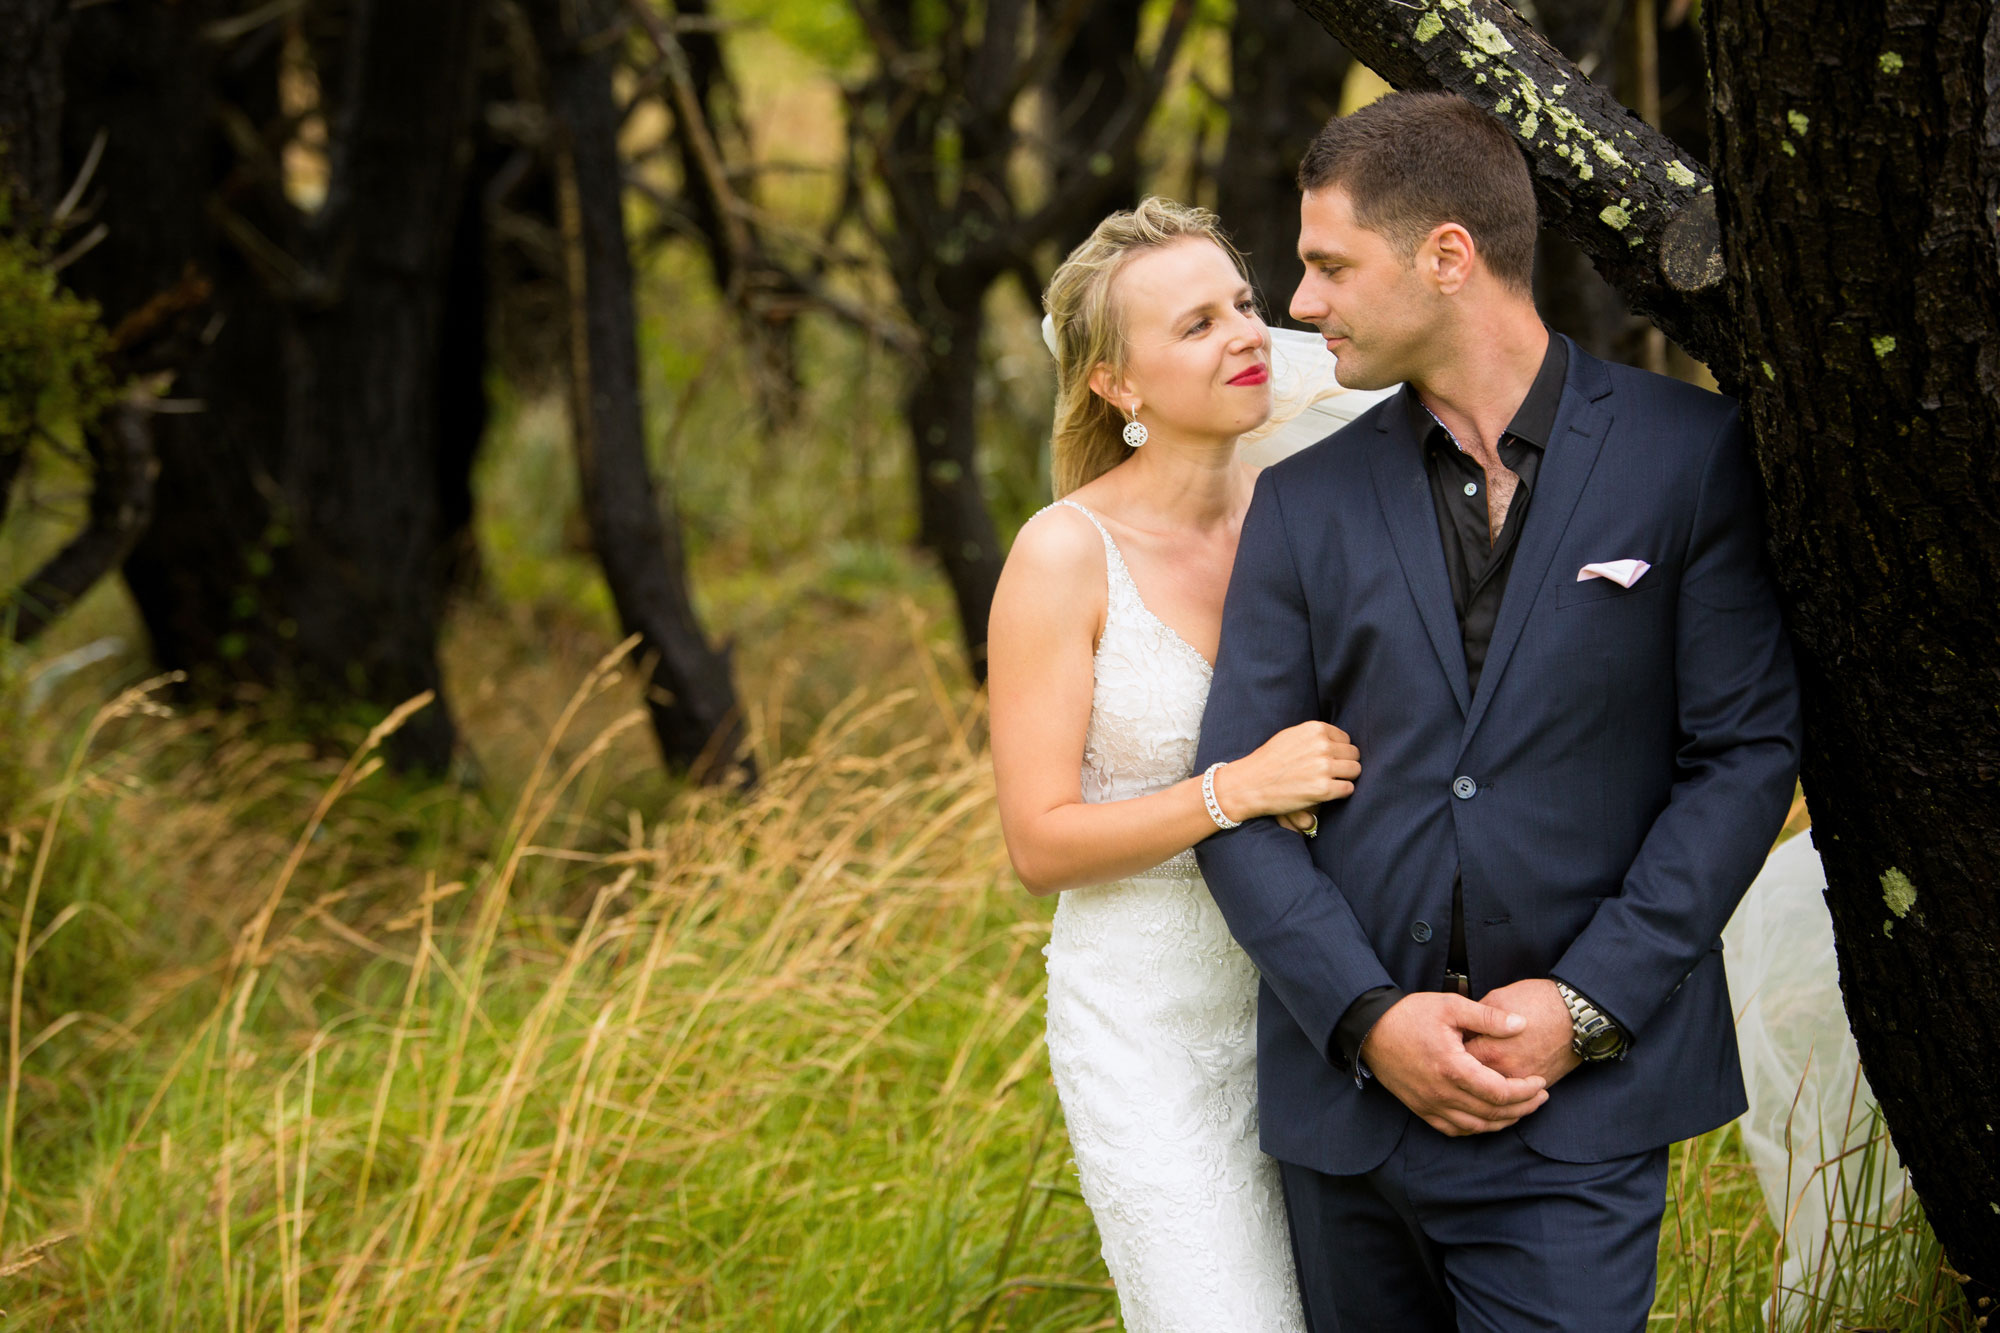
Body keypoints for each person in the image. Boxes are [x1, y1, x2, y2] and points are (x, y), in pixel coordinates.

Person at [1192, 91, 1802, 1332]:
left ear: (1447, 257)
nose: (1300, 306)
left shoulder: (1685, 455)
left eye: (1325, 266)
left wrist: (1584, 1007)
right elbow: (1234, 804)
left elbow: (1741, 758)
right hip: (1347, 1127)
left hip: (1572, 1120)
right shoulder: (1300, 500)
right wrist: (1368, 1019)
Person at [987, 197, 1381, 1331]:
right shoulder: (1065, 553)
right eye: (1196, 325)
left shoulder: (1304, 516)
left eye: (1245, 304)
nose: (1248, 335)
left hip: (1315, 1002)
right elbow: (1038, 841)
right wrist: (1232, 791)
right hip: (1150, 1025)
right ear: (1116, 385)